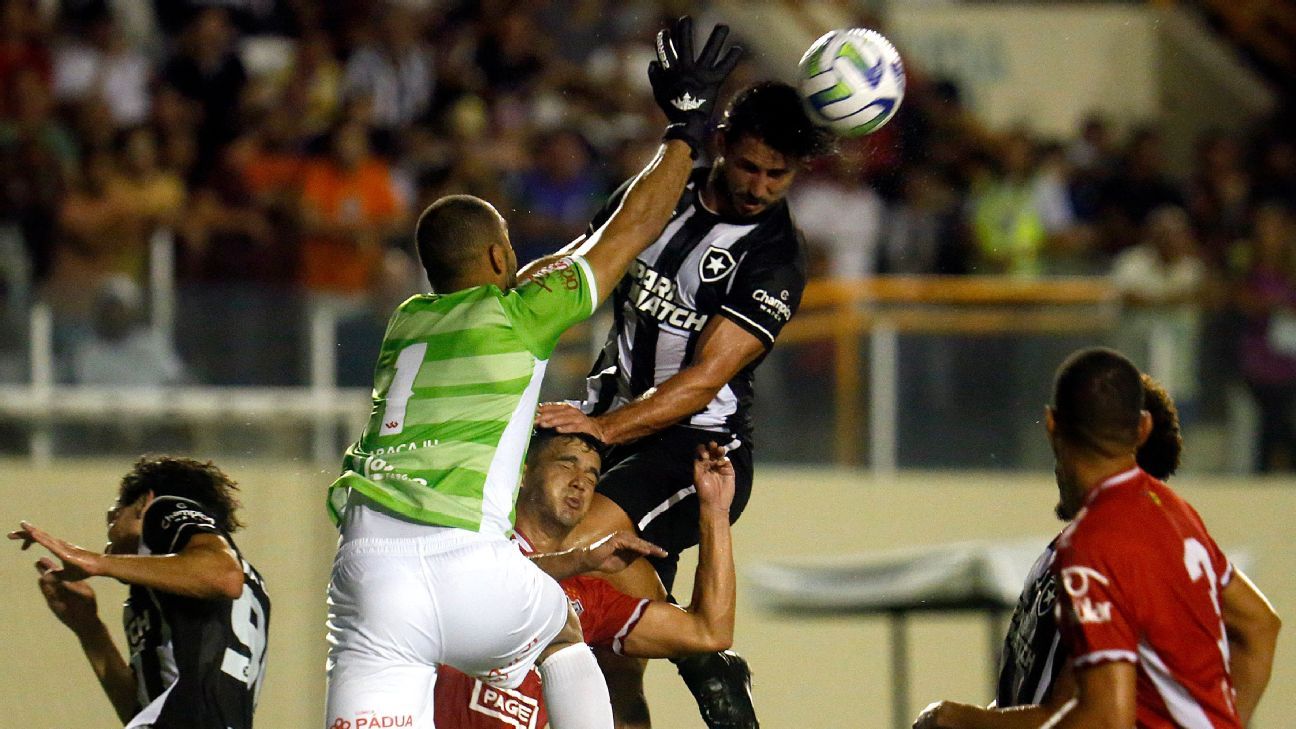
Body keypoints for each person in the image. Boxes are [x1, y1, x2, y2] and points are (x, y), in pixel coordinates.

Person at [322, 17, 740, 729]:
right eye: (508, 253)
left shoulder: (408, 322)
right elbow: (628, 232)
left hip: (367, 566)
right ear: (494, 261)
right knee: (561, 631)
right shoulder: (516, 315)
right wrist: (687, 133)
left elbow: (552, 265)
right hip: (462, 559)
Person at [536, 79, 835, 729]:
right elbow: (581, 263)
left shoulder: (776, 256)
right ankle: (696, 650)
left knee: (575, 543)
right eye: (749, 166)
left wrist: (600, 430)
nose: (758, 185)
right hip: (608, 417)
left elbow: (704, 379)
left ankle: (699, 654)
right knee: (608, 655)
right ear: (722, 144)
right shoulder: (659, 196)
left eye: (777, 175)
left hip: (694, 447)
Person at [913, 373, 1277, 727]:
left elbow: (1086, 715)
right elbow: (1260, 624)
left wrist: (961, 720)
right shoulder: (1159, 521)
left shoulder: (1113, 550)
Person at [1037, 348, 1279, 727]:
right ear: (1143, 428)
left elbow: (1105, 717)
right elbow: (1260, 625)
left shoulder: (1090, 545)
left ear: (1052, 424)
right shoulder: (1173, 511)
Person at [434, 429, 737, 728]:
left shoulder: (587, 597)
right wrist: (579, 559)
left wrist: (715, 511)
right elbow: (491, 582)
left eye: (592, 476)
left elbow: (709, 632)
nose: (580, 482)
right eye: (566, 465)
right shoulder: (470, 539)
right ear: (522, 474)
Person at [8, 456, 270, 729]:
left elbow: (225, 577)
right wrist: (90, 629)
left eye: (117, 510)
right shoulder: (183, 588)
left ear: (145, 502)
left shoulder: (164, 509)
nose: (109, 524)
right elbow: (145, 710)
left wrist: (97, 563)